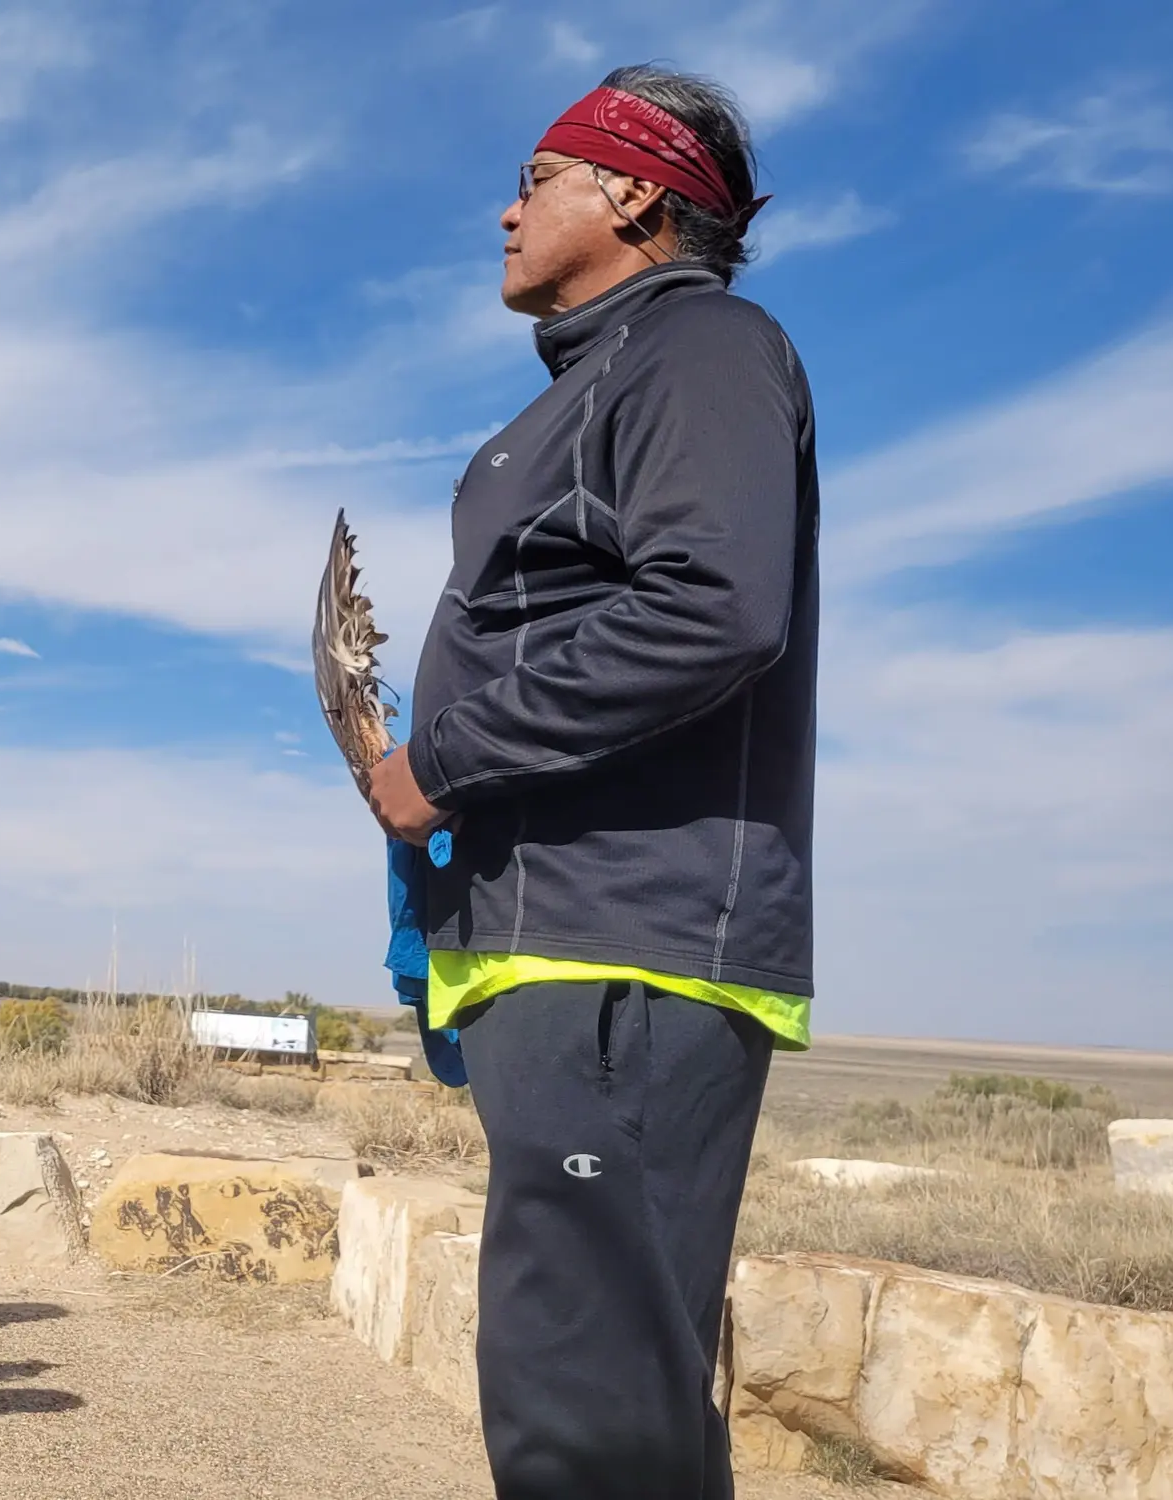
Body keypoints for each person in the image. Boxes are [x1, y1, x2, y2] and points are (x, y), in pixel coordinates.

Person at [363, 64, 814, 1500]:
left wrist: (440, 758)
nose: (501, 213)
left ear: (630, 191)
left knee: (586, 1427)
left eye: (534, 178)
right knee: (613, 1401)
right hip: (561, 947)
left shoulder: (696, 349)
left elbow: (712, 608)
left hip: (618, 946)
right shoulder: (599, 381)